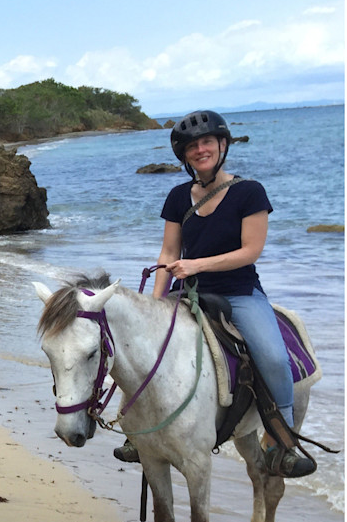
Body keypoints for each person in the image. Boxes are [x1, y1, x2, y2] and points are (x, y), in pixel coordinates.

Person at [113, 110, 313, 478]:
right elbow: (169, 254)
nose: (200, 150)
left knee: (272, 356)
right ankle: (135, 431)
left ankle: (283, 442)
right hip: (186, 292)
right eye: (192, 147)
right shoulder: (177, 197)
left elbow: (250, 251)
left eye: (207, 142)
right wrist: (155, 303)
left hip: (239, 293)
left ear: (223, 145)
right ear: (184, 156)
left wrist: (198, 265)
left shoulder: (249, 192)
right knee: (141, 349)